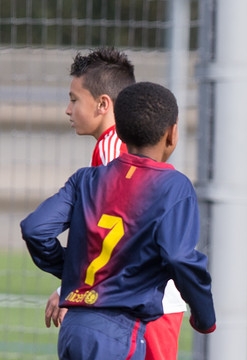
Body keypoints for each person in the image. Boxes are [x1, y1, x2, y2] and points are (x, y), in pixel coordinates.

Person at [21, 82, 217, 359]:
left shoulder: (85, 179)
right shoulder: (174, 186)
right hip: (120, 332)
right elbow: (178, 257)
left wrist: (73, 271)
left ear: (120, 132)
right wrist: (204, 316)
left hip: (74, 328)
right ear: (172, 134)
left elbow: (34, 229)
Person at [48, 47, 187, 360]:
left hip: (143, 308)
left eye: (73, 99)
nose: (68, 110)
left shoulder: (115, 154)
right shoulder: (114, 148)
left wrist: (70, 290)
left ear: (102, 104)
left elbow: (120, 238)